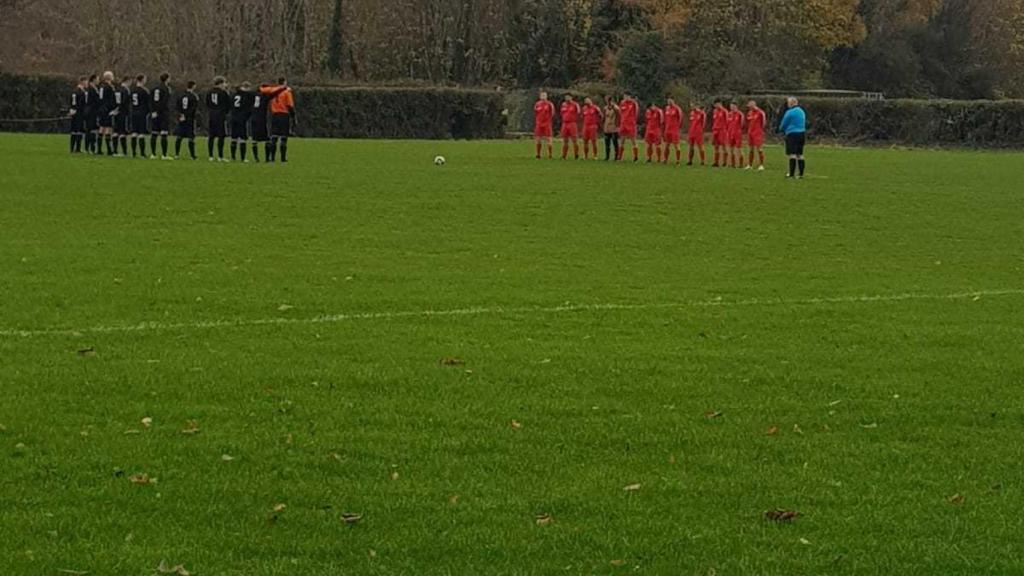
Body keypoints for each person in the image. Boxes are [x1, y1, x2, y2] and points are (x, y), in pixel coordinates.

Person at [251, 84, 287, 162]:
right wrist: (282, 88)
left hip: (253, 118)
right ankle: (267, 158)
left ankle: (256, 158)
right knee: (267, 139)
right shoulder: (264, 97)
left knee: (255, 139)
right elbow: (273, 94)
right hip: (261, 118)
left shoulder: (253, 95)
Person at [266, 77, 295, 162]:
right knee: (283, 137)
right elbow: (290, 105)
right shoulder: (286, 92)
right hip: (284, 115)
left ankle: (272, 158)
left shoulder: (273, 91)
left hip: (275, 115)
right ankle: (282, 158)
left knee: (274, 137)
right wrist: (293, 116)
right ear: (284, 82)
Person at [780, 96, 807, 178]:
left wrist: (781, 129)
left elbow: (784, 123)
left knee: (792, 154)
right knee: (800, 154)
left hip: (792, 133)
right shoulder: (801, 111)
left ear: (791, 103)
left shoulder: (790, 112)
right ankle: (801, 174)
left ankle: (791, 174)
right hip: (802, 133)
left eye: (788, 103)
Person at [205, 77, 230, 162]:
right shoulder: (223, 93)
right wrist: (225, 112)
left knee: (211, 136)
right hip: (220, 116)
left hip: (212, 115)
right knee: (221, 136)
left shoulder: (209, 92)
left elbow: (207, 103)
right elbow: (228, 105)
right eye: (224, 83)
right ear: (220, 84)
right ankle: (220, 156)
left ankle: (211, 156)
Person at [174, 81, 200, 160]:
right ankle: (192, 155)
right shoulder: (194, 96)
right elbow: (193, 109)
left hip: (181, 118)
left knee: (179, 136)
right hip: (189, 118)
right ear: (193, 86)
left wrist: (181, 115)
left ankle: (176, 154)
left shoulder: (181, 95)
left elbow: (177, 106)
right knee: (191, 137)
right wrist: (187, 115)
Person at [230, 82, 255, 162]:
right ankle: (243, 158)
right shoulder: (247, 95)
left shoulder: (233, 95)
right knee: (242, 138)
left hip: (233, 117)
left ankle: (233, 157)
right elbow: (250, 108)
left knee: (234, 138)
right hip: (242, 118)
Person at [150, 72, 172, 160]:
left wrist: (153, 111)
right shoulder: (166, 88)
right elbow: (164, 101)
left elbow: (151, 100)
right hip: (163, 113)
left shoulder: (154, 88)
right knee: (164, 133)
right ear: (167, 79)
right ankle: (164, 155)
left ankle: (153, 154)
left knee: (154, 133)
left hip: (154, 113)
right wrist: (159, 111)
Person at [129, 75, 150, 158]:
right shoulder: (144, 91)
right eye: (145, 79)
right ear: (142, 80)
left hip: (134, 112)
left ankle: (134, 153)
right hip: (142, 113)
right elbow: (148, 103)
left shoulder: (132, 90)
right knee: (141, 133)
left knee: (134, 133)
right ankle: (142, 153)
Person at [96, 71, 116, 155]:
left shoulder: (101, 87)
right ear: (109, 77)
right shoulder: (110, 87)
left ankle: (99, 149)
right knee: (108, 128)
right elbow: (112, 100)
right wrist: (113, 108)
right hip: (107, 109)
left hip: (101, 109)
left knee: (101, 128)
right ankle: (109, 150)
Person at [745, 100, 767, 171]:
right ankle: (750, 165)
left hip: (757, 133)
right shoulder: (749, 113)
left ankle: (761, 165)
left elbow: (764, 123)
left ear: (753, 105)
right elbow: (748, 122)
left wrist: (760, 130)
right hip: (750, 133)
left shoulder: (760, 112)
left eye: (750, 106)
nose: (749, 108)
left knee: (759, 149)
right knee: (751, 149)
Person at [113, 76, 132, 156]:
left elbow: (114, 100)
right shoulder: (126, 90)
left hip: (116, 112)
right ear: (127, 81)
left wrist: (115, 109)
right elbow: (124, 102)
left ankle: (115, 151)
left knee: (116, 131)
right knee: (123, 132)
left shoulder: (117, 89)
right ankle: (124, 152)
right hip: (123, 112)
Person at [533, 91, 555, 159]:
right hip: (539, 124)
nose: (543, 97)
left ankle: (550, 154)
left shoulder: (549, 104)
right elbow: (535, 113)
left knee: (549, 139)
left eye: (544, 95)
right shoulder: (537, 104)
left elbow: (552, 113)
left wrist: (547, 120)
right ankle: (538, 154)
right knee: (538, 139)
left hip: (547, 124)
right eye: (542, 95)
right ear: (540, 96)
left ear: (547, 96)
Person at [68, 77, 87, 154]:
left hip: (75, 112)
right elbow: (76, 102)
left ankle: (73, 148)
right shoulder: (79, 92)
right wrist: (74, 109)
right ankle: (76, 149)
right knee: (77, 130)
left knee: (75, 130)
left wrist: (72, 109)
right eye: (86, 82)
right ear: (82, 82)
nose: (87, 83)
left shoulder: (75, 91)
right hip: (79, 113)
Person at [559, 94, 581, 160]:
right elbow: (561, 113)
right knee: (565, 140)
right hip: (565, 123)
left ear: (571, 97)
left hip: (572, 123)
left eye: (568, 97)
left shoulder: (575, 104)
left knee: (574, 140)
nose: (567, 98)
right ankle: (564, 155)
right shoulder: (563, 104)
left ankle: (576, 155)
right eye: (566, 97)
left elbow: (579, 113)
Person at [618, 92, 639, 161]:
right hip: (623, 124)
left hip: (631, 124)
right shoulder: (622, 103)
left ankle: (635, 157)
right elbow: (620, 112)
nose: (626, 98)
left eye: (627, 96)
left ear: (630, 97)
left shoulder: (633, 103)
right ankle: (620, 157)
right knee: (622, 140)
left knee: (633, 140)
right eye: (625, 96)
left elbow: (637, 111)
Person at [662, 97, 683, 165]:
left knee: (676, 145)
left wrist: (677, 127)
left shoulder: (677, 108)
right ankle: (665, 159)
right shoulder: (667, 108)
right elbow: (665, 119)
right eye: (668, 100)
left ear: (673, 100)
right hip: (667, 129)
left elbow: (680, 119)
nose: (669, 101)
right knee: (667, 145)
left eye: (670, 100)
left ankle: (678, 160)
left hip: (674, 130)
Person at [687, 102, 707, 166]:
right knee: (691, 147)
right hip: (692, 132)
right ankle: (690, 161)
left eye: (692, 106)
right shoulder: (691, 113)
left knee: (700, 146)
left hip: (698, 132)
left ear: (696, 106)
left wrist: (701, 130)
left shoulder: (701, 113)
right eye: (691, 106)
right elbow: (691, 122)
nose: (691, 107)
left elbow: (704, 123)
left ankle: (702, 161)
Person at [83, 74, 99, 154]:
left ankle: (88, 147)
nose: (98, 81)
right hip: (91, 111)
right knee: (91, 130)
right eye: (97, 79)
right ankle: (91, 148)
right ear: (94, 80)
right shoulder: (92, 89)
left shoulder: (88, 89)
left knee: (89, 129)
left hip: (88, 110)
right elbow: (96, 101)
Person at [727, 102, 745, 168]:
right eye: (731, 106)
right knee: (731, 149)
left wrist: (738, 131)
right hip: (730, 133)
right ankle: (733, 164)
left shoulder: (740, 114)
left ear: (736, 106)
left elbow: (742, 124)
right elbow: (728, 123)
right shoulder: (729, 114)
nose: (731, 107)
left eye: (733, 106)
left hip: (737, 134)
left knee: (739, 149)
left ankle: (741, 164)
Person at [602, 96, 620, 161]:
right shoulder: (605, 108)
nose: (608, 102)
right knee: (607, 142)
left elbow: (618, 115)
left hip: (614, 126)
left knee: (615, 142)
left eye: (608, 100)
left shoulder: (616, 108)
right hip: (607, 127)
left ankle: (616, 156)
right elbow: (604, 117)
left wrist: (617, 125)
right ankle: (607, 156)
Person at [710, 100, 727, 167]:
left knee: (723, 146)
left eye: (717, 104)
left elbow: (727, 121)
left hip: (722, 130)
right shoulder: (715, 111)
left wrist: (725, 129)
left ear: (720, 104)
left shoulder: (724, 111)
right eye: (715, 104)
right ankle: (716, 162)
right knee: (716, 146)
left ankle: (724, 162)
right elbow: (714, 120)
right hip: (715, 130)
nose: (716, 106)